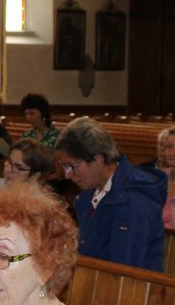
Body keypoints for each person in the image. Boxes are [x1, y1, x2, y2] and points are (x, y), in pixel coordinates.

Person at [54, 116, 166, 272]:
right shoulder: (89, 192)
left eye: (72, 166)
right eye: (64, 166)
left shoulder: (134, 201)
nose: (67, 175)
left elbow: (125, 270)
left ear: (98, 159)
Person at [0, 138, 55, 217]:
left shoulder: (40, 203)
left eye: (18, 167)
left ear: (35, 175)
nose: (8, 169)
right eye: (9, 162)